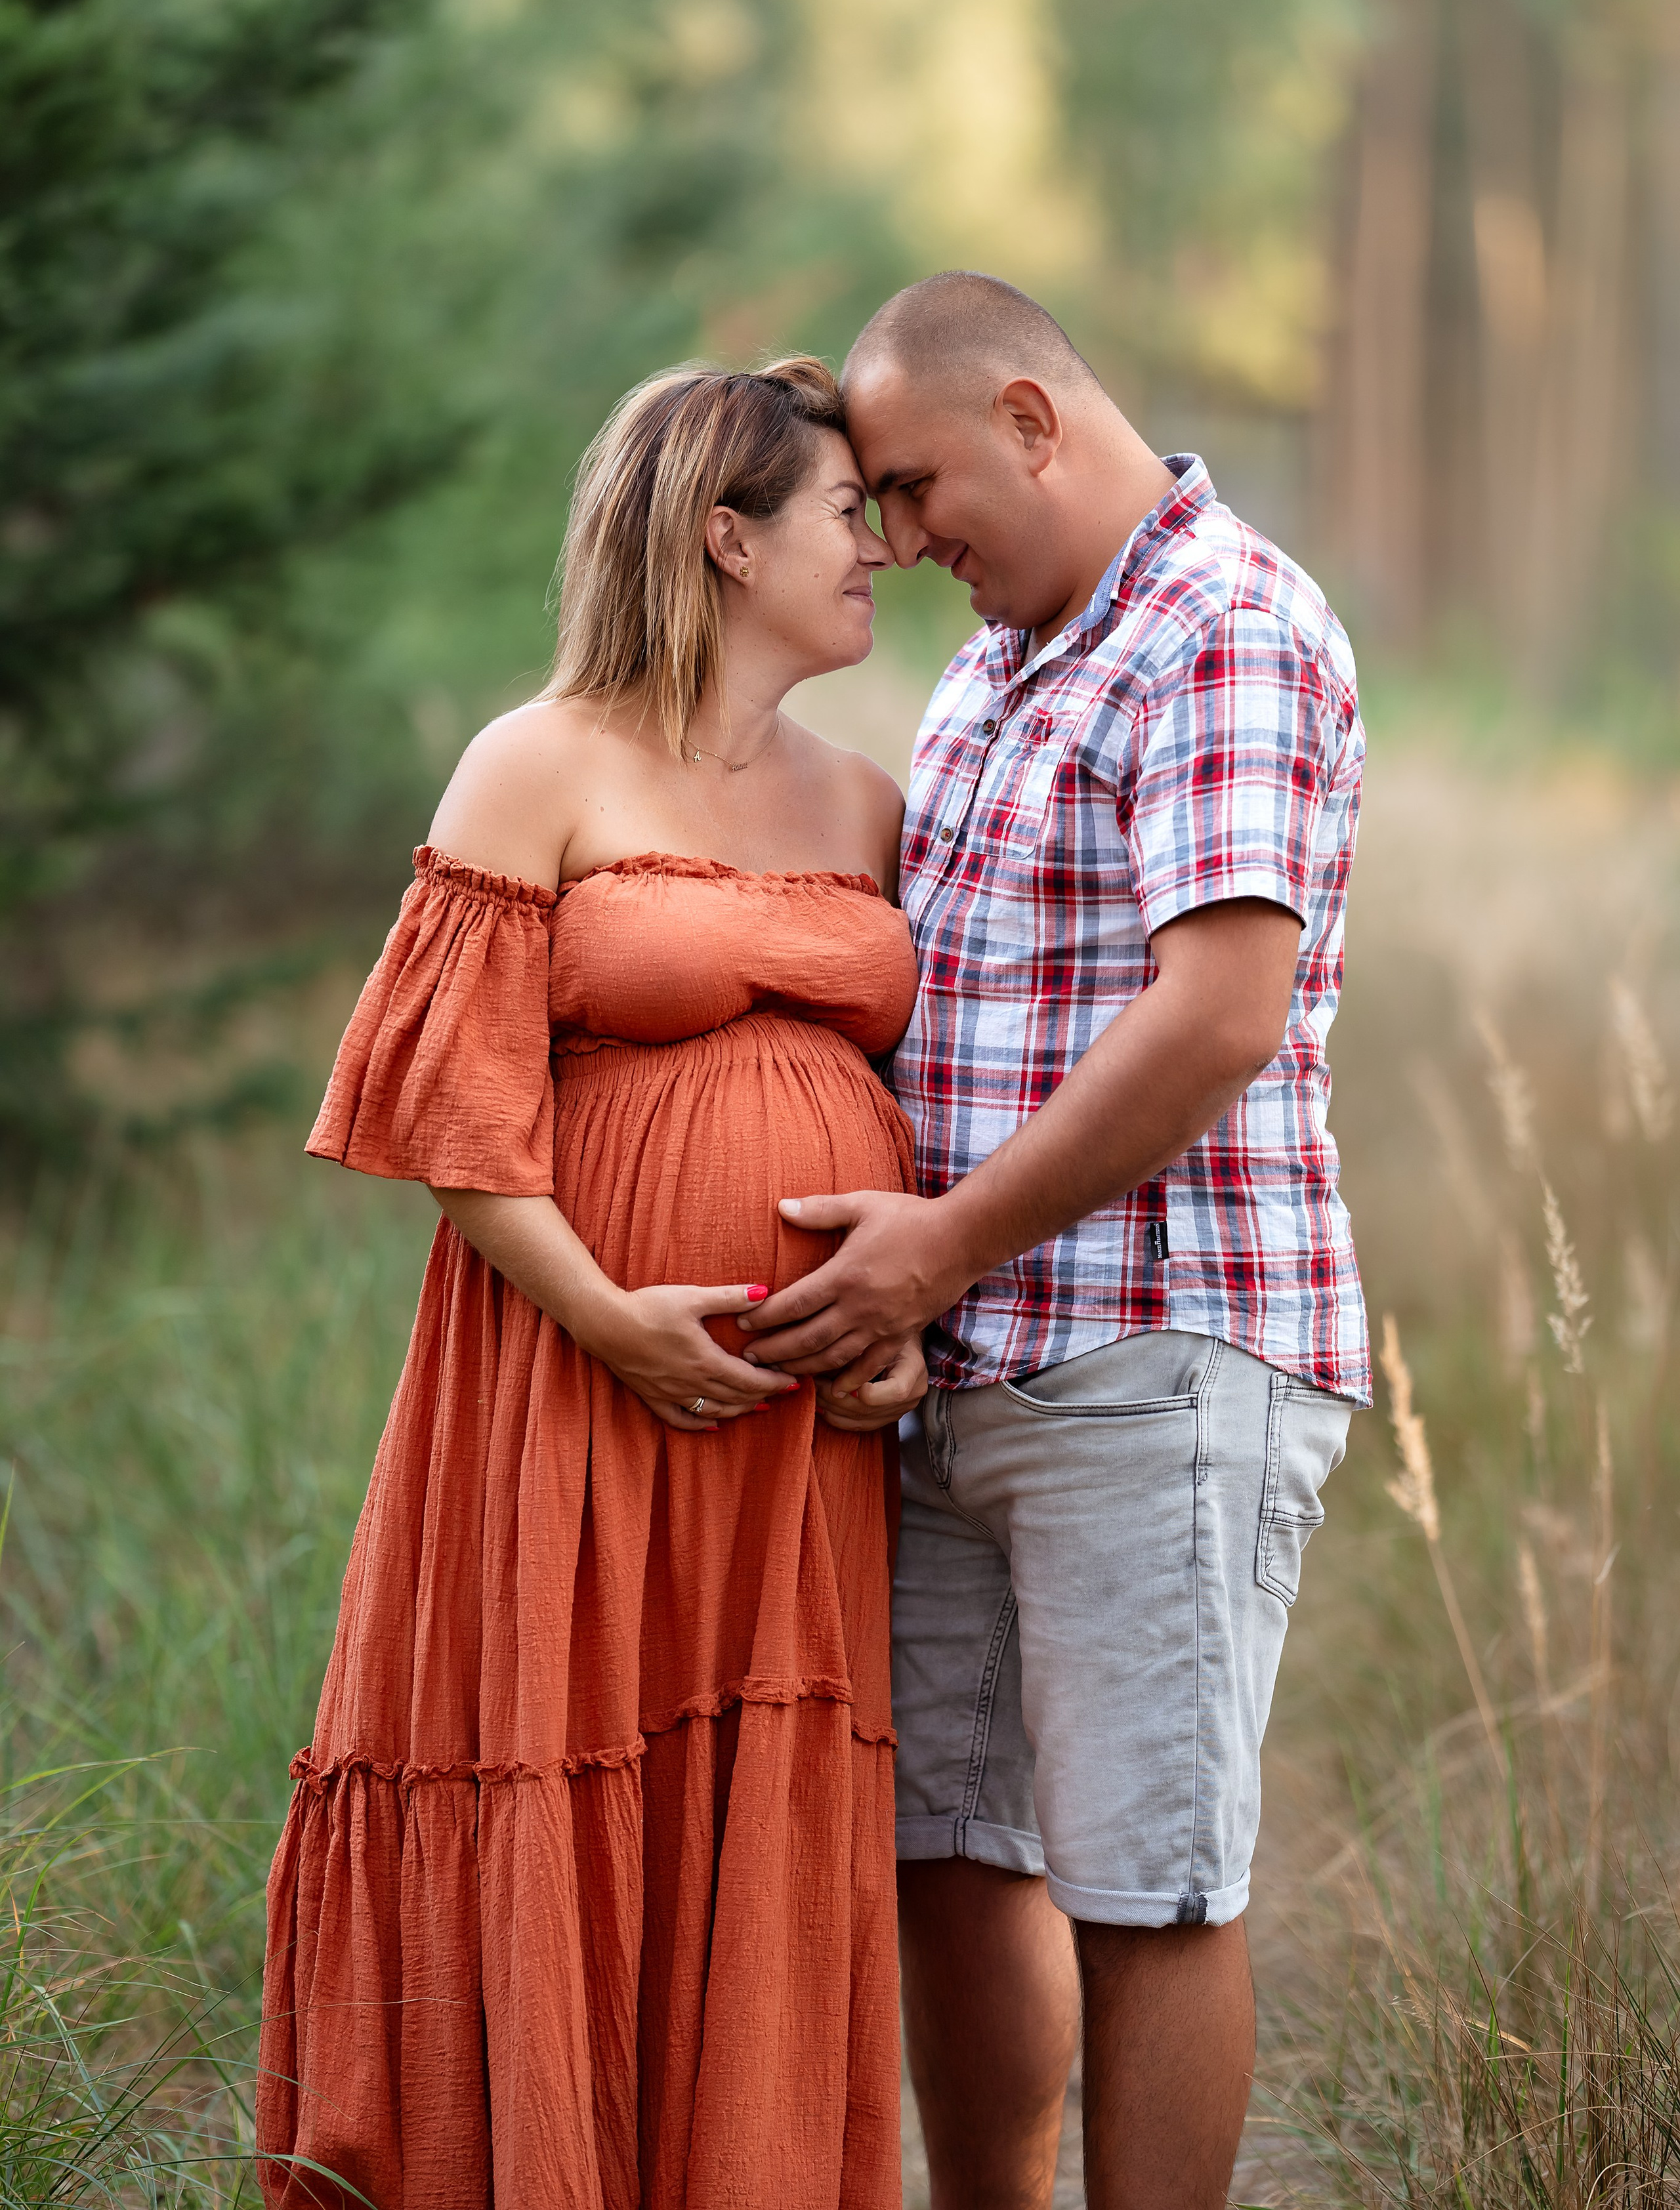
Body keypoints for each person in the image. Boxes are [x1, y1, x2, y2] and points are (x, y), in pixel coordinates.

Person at [256, 356, 927, 2210]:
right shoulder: (538, 761)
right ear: (729, 535)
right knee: (561, 1760)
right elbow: (452, 1113)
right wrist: (614, 1317)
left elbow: (916, 1128)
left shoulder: (873, 797)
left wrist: (903, 1336)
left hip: (797, 1439)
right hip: (574, 1379)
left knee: (755, 1802)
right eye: (842, 515)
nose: (879, 550)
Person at [738, 274, 1370, 2210]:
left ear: (1032, 416)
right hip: (965, 1368)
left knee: (1148, 1880)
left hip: (1159, 1357)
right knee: (953, 1849)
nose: (905, 540)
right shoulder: (1005, 656)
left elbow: (1217, 1013)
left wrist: (928, 1248)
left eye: (920, 486)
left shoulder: (1225, 625)